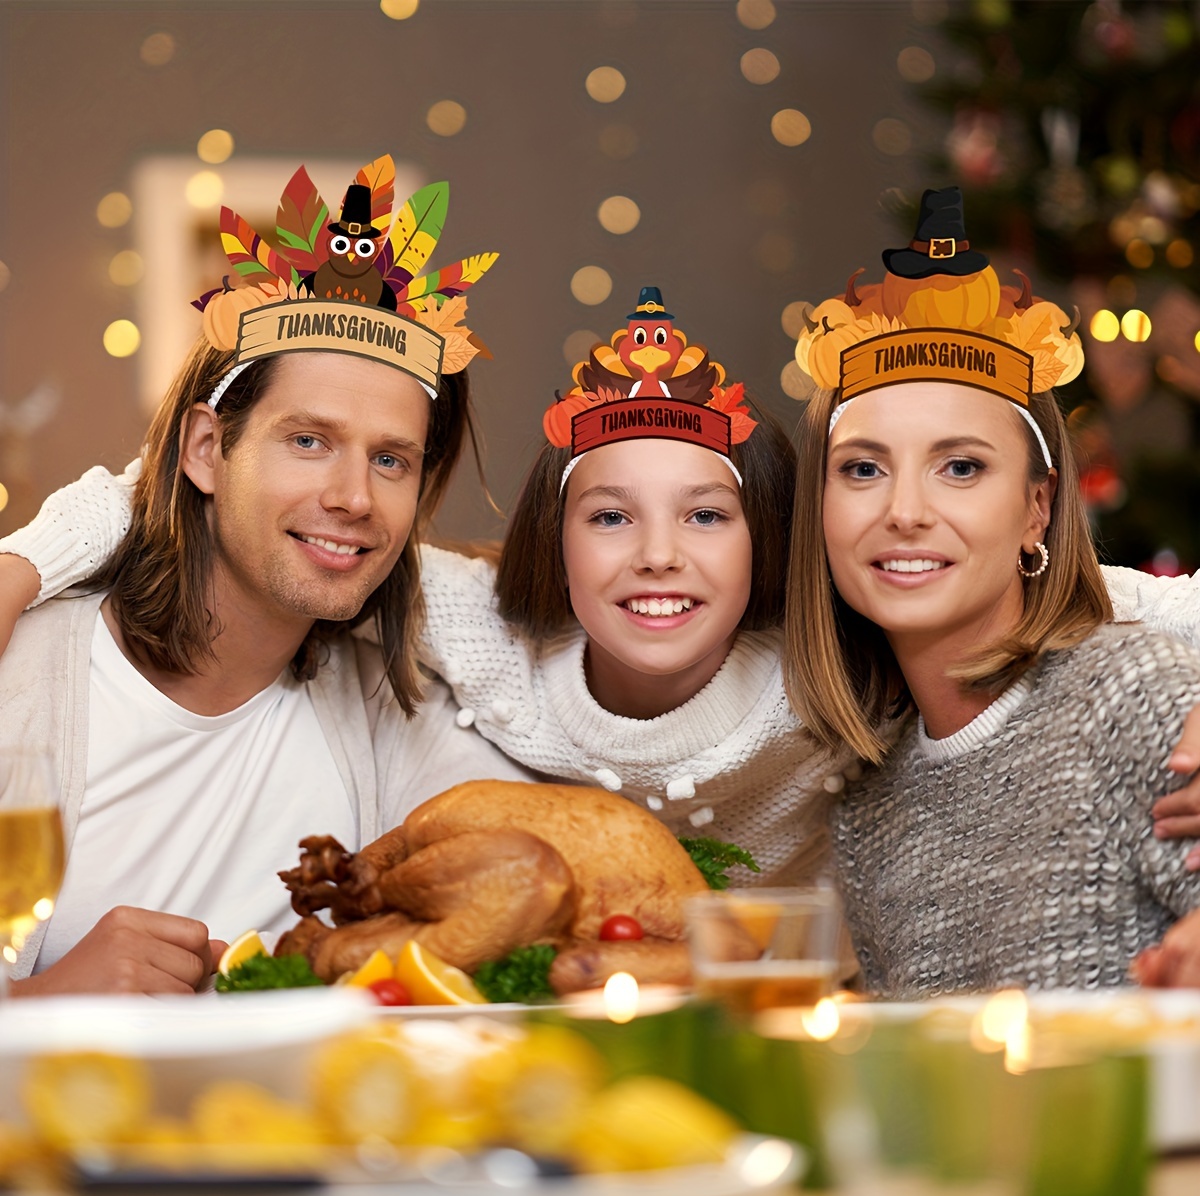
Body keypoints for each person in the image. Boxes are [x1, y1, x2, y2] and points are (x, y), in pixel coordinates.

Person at [8, 276, 1200, 892]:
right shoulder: (460, 626)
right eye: (609, 516)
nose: (660, 556)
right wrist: (21, 563)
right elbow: (174, 493)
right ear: (552, 541)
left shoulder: (834, 645)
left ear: (772, 546)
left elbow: (1089, 602)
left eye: (392, 461)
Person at [1, 155, 529, 997]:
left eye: (390, 459)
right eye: (308, 441)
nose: (354, 498)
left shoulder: (391, 709)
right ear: (207, 450)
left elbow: (548, 861)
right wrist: (38, 1005)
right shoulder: (23, 678)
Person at [785, 186, 1200, 997]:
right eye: (863, 469)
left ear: (1036, 509)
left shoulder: (1133, 697)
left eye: (962, 467)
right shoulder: (869, 802)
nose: (904, 512)